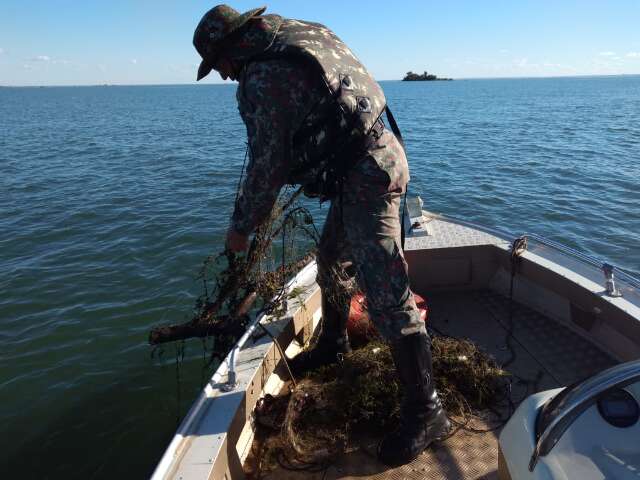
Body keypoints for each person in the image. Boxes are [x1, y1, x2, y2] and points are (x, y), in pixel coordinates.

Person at [193, 4, 449, 467]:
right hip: (375, 155)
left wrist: (240, 229)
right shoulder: (305, 33)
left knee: (385, 289)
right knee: (330, 257)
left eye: (220, 67)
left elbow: (266, 168)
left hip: (368, 174)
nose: (225, 77)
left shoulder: (263, 77)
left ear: (230, 48)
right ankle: (334, 341)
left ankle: (427, 409)